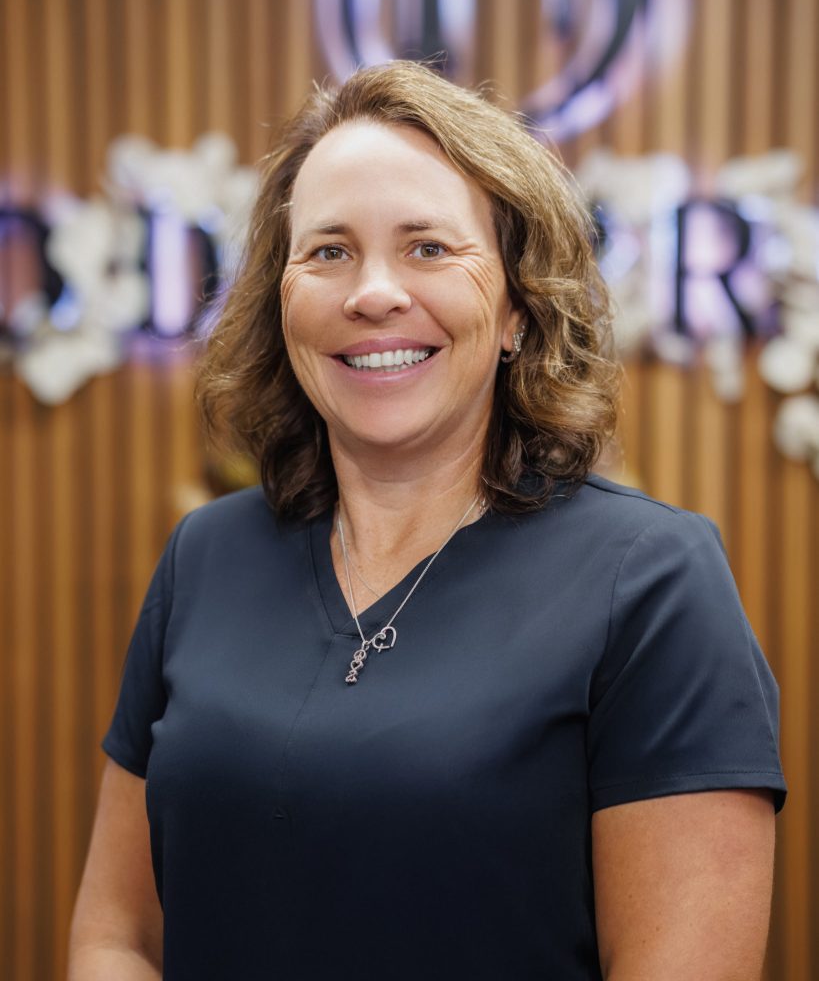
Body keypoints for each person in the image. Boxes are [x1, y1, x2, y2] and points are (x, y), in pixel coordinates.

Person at [69, 61, 786, 981]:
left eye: (429, 249)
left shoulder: (648, 577)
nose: (372, 293)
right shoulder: (206, 556)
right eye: (327, 251)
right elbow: (114, 936)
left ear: (520, 308)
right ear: (279, 297)